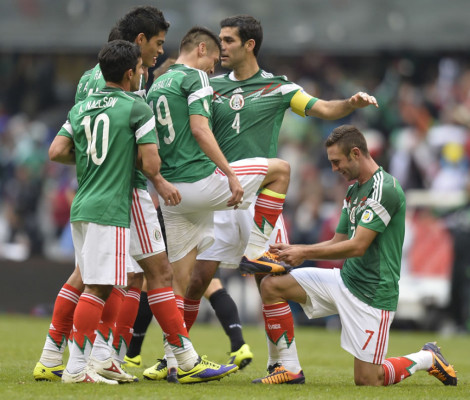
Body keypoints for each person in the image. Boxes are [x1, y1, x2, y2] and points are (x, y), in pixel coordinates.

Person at [183, 14, 379, 371]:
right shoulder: (211, 86)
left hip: (261, 201)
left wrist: (350, 104)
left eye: (227, 41)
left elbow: (322, 108)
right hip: (222, 196)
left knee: (270, 281)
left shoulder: (279, 87)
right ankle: (178, 358)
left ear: (249, 45)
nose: (220, 47)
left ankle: (285, 365)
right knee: (197, 279)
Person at [250, 124, 458, 386]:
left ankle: (428, 358)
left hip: (373, 296)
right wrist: (292, 251)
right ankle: (290, 369)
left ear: (356, 153)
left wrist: (304, 251)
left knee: (368, 380)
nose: (335, 169)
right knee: (272, 286)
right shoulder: (353, 190)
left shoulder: (386, 188)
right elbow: (339, 241)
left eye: (337, 162)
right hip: (345, 281)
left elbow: (358, 245)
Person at [33, 6, 172, 382]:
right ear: (136, 50)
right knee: (119, 279)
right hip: (122, 191)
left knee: (91, 275)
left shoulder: (85, 84)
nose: (157, 56)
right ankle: (91, 359)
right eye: (156, 46)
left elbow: (61, 148)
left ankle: (56, 354)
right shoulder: (132, 94)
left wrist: (94, 161)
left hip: (87, 192)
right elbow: (141, 152)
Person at [144, 25, 291, 377]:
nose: (215, 67)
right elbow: (199, 129)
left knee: (178, 282)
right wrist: (229, 172)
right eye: (213, 57)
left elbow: (148, 144)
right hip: (201, 184)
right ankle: (259, 251)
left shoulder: (154, 87)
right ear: (199, 49)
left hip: (173, 194)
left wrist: (158, 182)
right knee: (281, 169)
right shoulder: (195, 77)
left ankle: (177, 363)